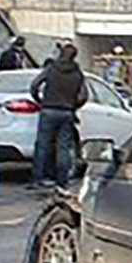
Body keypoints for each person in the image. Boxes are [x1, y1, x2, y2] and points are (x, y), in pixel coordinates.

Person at [29, 44, 88, 188]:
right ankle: (62, 181)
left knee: (42, 145)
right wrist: (73, 105)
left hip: (49, 110)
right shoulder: (78, 73)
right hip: (67, 112)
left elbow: (34, 85)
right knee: (63, 147)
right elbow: (84, 95)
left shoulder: (52, 68)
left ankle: (38, 178)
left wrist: (41, 100)